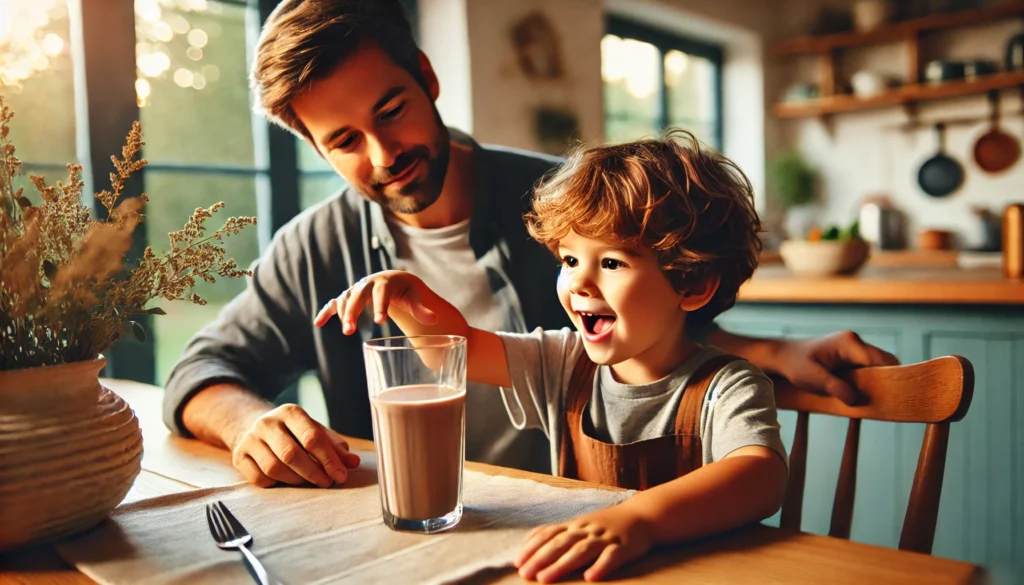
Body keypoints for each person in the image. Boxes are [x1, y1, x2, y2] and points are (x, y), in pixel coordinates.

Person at [162, 0, 896, 489]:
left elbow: (657, 326)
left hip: (561, 519)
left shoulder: (566, 205)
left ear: (427, 77)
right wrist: (247, 422)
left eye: (392, 110)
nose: (384, 154)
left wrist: (774, 353)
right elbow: (202, 369)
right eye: (346, 141)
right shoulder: (313, 247)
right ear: (315, 147)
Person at [315, 130, 787, 583]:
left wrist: (639, 520)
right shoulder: (562, 362)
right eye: (569, 260)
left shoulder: (728, 386)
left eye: (611, 263)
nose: (579, 283)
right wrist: (406, 294)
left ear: (691, 284)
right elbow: (459, 349)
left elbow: (760, 475)